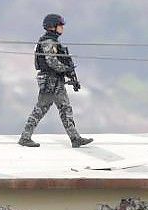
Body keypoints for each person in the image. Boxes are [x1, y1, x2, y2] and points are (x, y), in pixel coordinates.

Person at [18, 14, 93, 148]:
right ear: (53, 26)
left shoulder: (52, 41)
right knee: (50, 108)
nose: (62, 28)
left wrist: (68, 72)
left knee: (57, 108)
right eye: (60, 25)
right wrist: (66, 69)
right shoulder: (49, 42)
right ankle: (25, 137)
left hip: (53, 80)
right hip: (51, 81)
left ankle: (74, 138)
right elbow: (52, 62)